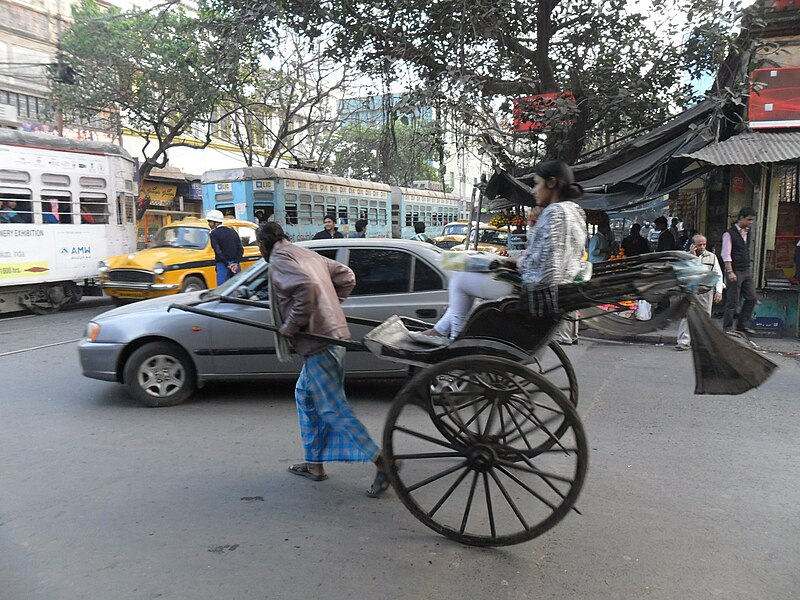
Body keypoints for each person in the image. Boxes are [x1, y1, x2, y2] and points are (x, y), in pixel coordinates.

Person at [255, 221, 392, 497]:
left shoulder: (280, 259)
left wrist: (291, 325)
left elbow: (306, 289)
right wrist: (331, 304)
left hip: (319, 342)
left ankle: (382, 461)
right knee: (305, 394)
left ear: (263, 244)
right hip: (331, 335)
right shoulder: (302, 252)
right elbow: (346, 276)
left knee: (331, 408)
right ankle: (314, 463)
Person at [412, 160, 587, 344]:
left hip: (535, 292)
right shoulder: (574, 211)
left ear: (551, 183)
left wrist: (517, 263)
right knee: (470, 264)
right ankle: (439, 330)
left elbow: (547, 268)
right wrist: (530, 233)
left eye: (537, 184)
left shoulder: (555, 212)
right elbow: (548, 255)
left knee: (459, 280)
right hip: (551, 287)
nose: (534, 191)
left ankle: (453, 337)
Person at [675, 234, 724, 350]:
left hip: (705, 291)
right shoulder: (685, 257)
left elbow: (718, 274)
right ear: (693, 245)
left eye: (704, 244)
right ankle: (683, 341)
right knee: (686, 315)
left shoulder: (712, 257)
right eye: (699, 244)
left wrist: (719, 291)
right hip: (690, 290)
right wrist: (692, 257)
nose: (702, 247)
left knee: (705, 317)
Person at [721, 207, 757, 334]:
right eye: (749, 220)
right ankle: (728, 327)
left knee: (752, 298)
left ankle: (742, 324)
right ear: (741, 218)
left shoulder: (747, 233)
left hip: (746, 269)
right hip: (735, 270)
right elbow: (726, 254)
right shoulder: (729, 234)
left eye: (752, 220)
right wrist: (730, 271)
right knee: (733, 301)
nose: (750, 223)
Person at [206, 209, 243, 286]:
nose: (209, 224)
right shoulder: (233, 232)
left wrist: (227, 264)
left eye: (210, 222)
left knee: (222, 289)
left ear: (215, 222)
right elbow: (240, 249)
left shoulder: (214, 233)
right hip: (235, 265)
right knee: (237, 288)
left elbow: (217, 251)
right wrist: (236, 263)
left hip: (222, 265)